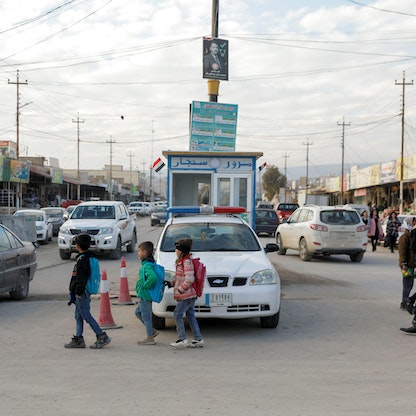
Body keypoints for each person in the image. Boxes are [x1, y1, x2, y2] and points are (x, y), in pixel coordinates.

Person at [64, 233, 111, 349]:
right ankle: (79, 338)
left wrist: (78, 292)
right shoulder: (89, 258)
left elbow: (81, 278)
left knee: (86, 315)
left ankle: (101, 335)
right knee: (78, 316)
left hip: (82, 292)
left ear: (77, 246)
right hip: (83, 291)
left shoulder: (83, 260)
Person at [170, 238, 204, 349]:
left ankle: (182, 339)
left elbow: (189, 279)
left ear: (181, 250)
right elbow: (182, 276)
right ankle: (198, 339)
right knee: (190, 316)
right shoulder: (182, 261)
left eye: (177, 248)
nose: (175, 250)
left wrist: (180, 289)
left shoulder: (186, 262)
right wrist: (173, 282)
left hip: (187, 295)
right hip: (188, 294)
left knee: (177, 314)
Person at [135, 241, 159, 345]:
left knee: (146, 316)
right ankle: (152, 331)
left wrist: (145, 286)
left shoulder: (147, 265)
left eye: (139, 251)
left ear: (145, 252)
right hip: (143, 295)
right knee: (138, 313)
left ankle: (150, 337)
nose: (138, 253)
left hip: (145, 295)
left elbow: (152, 277)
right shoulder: (146, 264)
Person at [398, 218, 416, 310]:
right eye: (412, 223)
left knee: (410, 284)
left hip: (411, 265)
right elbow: (402, 252)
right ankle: (404, 302)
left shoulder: (411, 236)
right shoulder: (404, 237)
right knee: (407, 284)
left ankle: (406, 301)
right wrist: (404, 264)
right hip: (406, 265)